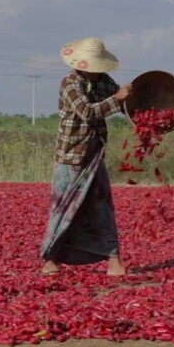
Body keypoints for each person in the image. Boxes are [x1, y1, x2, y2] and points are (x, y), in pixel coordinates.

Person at [39, 37, 134, 277]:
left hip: (94, 153)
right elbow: (87, 112)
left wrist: (135, 101)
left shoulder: (104, 82)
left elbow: (123, 103)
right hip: (71, 155)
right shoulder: (70, 83)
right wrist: (117, 99)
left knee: (102, 206)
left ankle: (114, 261)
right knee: (63, 207)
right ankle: (52, 259)